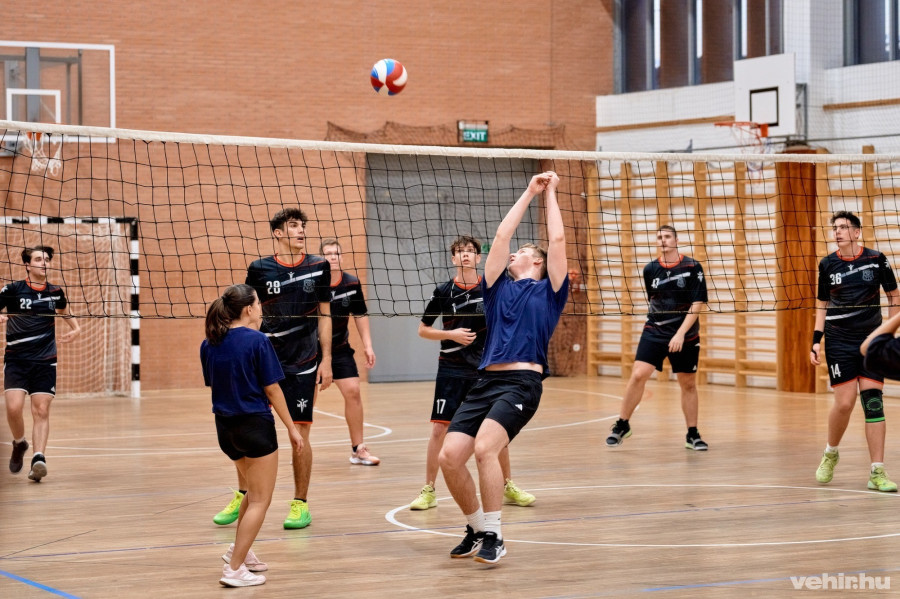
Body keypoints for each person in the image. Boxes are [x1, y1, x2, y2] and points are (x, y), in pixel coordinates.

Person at [438, 171, 568, 565]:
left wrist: (550, 193)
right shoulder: (495, 289)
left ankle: (495, 535)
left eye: (522, 251)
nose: (514, 254)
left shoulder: (551, 290)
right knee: (449, 457)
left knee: (484, 449)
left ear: (537, 261)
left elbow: (558, 240)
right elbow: (500, 238)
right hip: (485, 382)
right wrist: (528, 192)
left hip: (522, 382)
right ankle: (477, 528)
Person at [212, 208, 332, 529]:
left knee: (301, 433)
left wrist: (327, 359)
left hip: (303, 362)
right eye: (293, 226)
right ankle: (243, 494)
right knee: (247, 429)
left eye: (303, 226)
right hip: (263, 361)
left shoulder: (319, 266)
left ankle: (300, 504)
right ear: (278, 233)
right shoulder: (259, 269)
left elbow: (325, 314)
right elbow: (246, 314)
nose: (301, 231)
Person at [411, 235, 535, 511]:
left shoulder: (490, 288)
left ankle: (507, 485)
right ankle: (428, 489)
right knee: (439, 429)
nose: (465, 255)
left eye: (470, 251)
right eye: (459, 251)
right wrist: (451, 334)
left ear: (479, 258)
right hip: (451, 368)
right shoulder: (443, 291)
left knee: (495, 430)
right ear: (453, 258)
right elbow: (423, 330)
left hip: (485, 369)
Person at [201, 284, 304, 587]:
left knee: (251, 494)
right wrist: (292, 428)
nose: (261, 308)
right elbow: (272, 389)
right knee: (260, 500)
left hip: (225, 429)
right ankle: (234, 570)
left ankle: (240, 552)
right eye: (259, 303)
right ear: (248, 308)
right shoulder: (258, 341)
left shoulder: (209, 343)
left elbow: (214, 384)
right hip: (255, 427)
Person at [811, 211, 900, 492]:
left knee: (873, 403)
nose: (837, 232)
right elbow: (822, 304)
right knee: (845, 403)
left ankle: (877, 471)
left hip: (870, 341)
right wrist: (816, 339)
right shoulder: (827, 264)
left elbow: (894, 296)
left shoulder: (876, 259)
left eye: (843, 227)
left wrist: (888, 335)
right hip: (839, 340)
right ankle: (831, 452)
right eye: (835, 228)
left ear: (857, 232)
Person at [606, 226, 709, 450]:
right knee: (638, 374)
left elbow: (697, 303)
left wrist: (680, 333)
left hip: (685, 334)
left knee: (688, 383)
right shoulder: (650, 269)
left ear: (676, 240)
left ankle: (692, 434)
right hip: (655, 330)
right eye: (660, 237)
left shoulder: (693, 267)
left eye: (667, 237)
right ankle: (622, 424)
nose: (663, 240)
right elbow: (654, 299)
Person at [1, 246, 80, 482]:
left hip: (45, 359)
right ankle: (19, 443)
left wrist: (76, 328)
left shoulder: (55, 291)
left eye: (46, 259)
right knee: (13, 408)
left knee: (41, 410)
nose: (44, 263)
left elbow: (64, 310)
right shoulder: (13, 290)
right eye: (38, 259)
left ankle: (39, 459)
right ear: (27, 265)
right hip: (16, 359)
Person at [319, 238, 380, 466]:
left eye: (336, 253)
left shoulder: (351, 283)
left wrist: (368, 345)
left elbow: (360, 315)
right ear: (321, 259)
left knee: (353, 391)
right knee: (306, 399)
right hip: (312, 350)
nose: (333, 257)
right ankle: (300, 448)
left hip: (340, 348)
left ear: (342, 257)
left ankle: (358, 449)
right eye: (328, 254)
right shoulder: (313, 283)